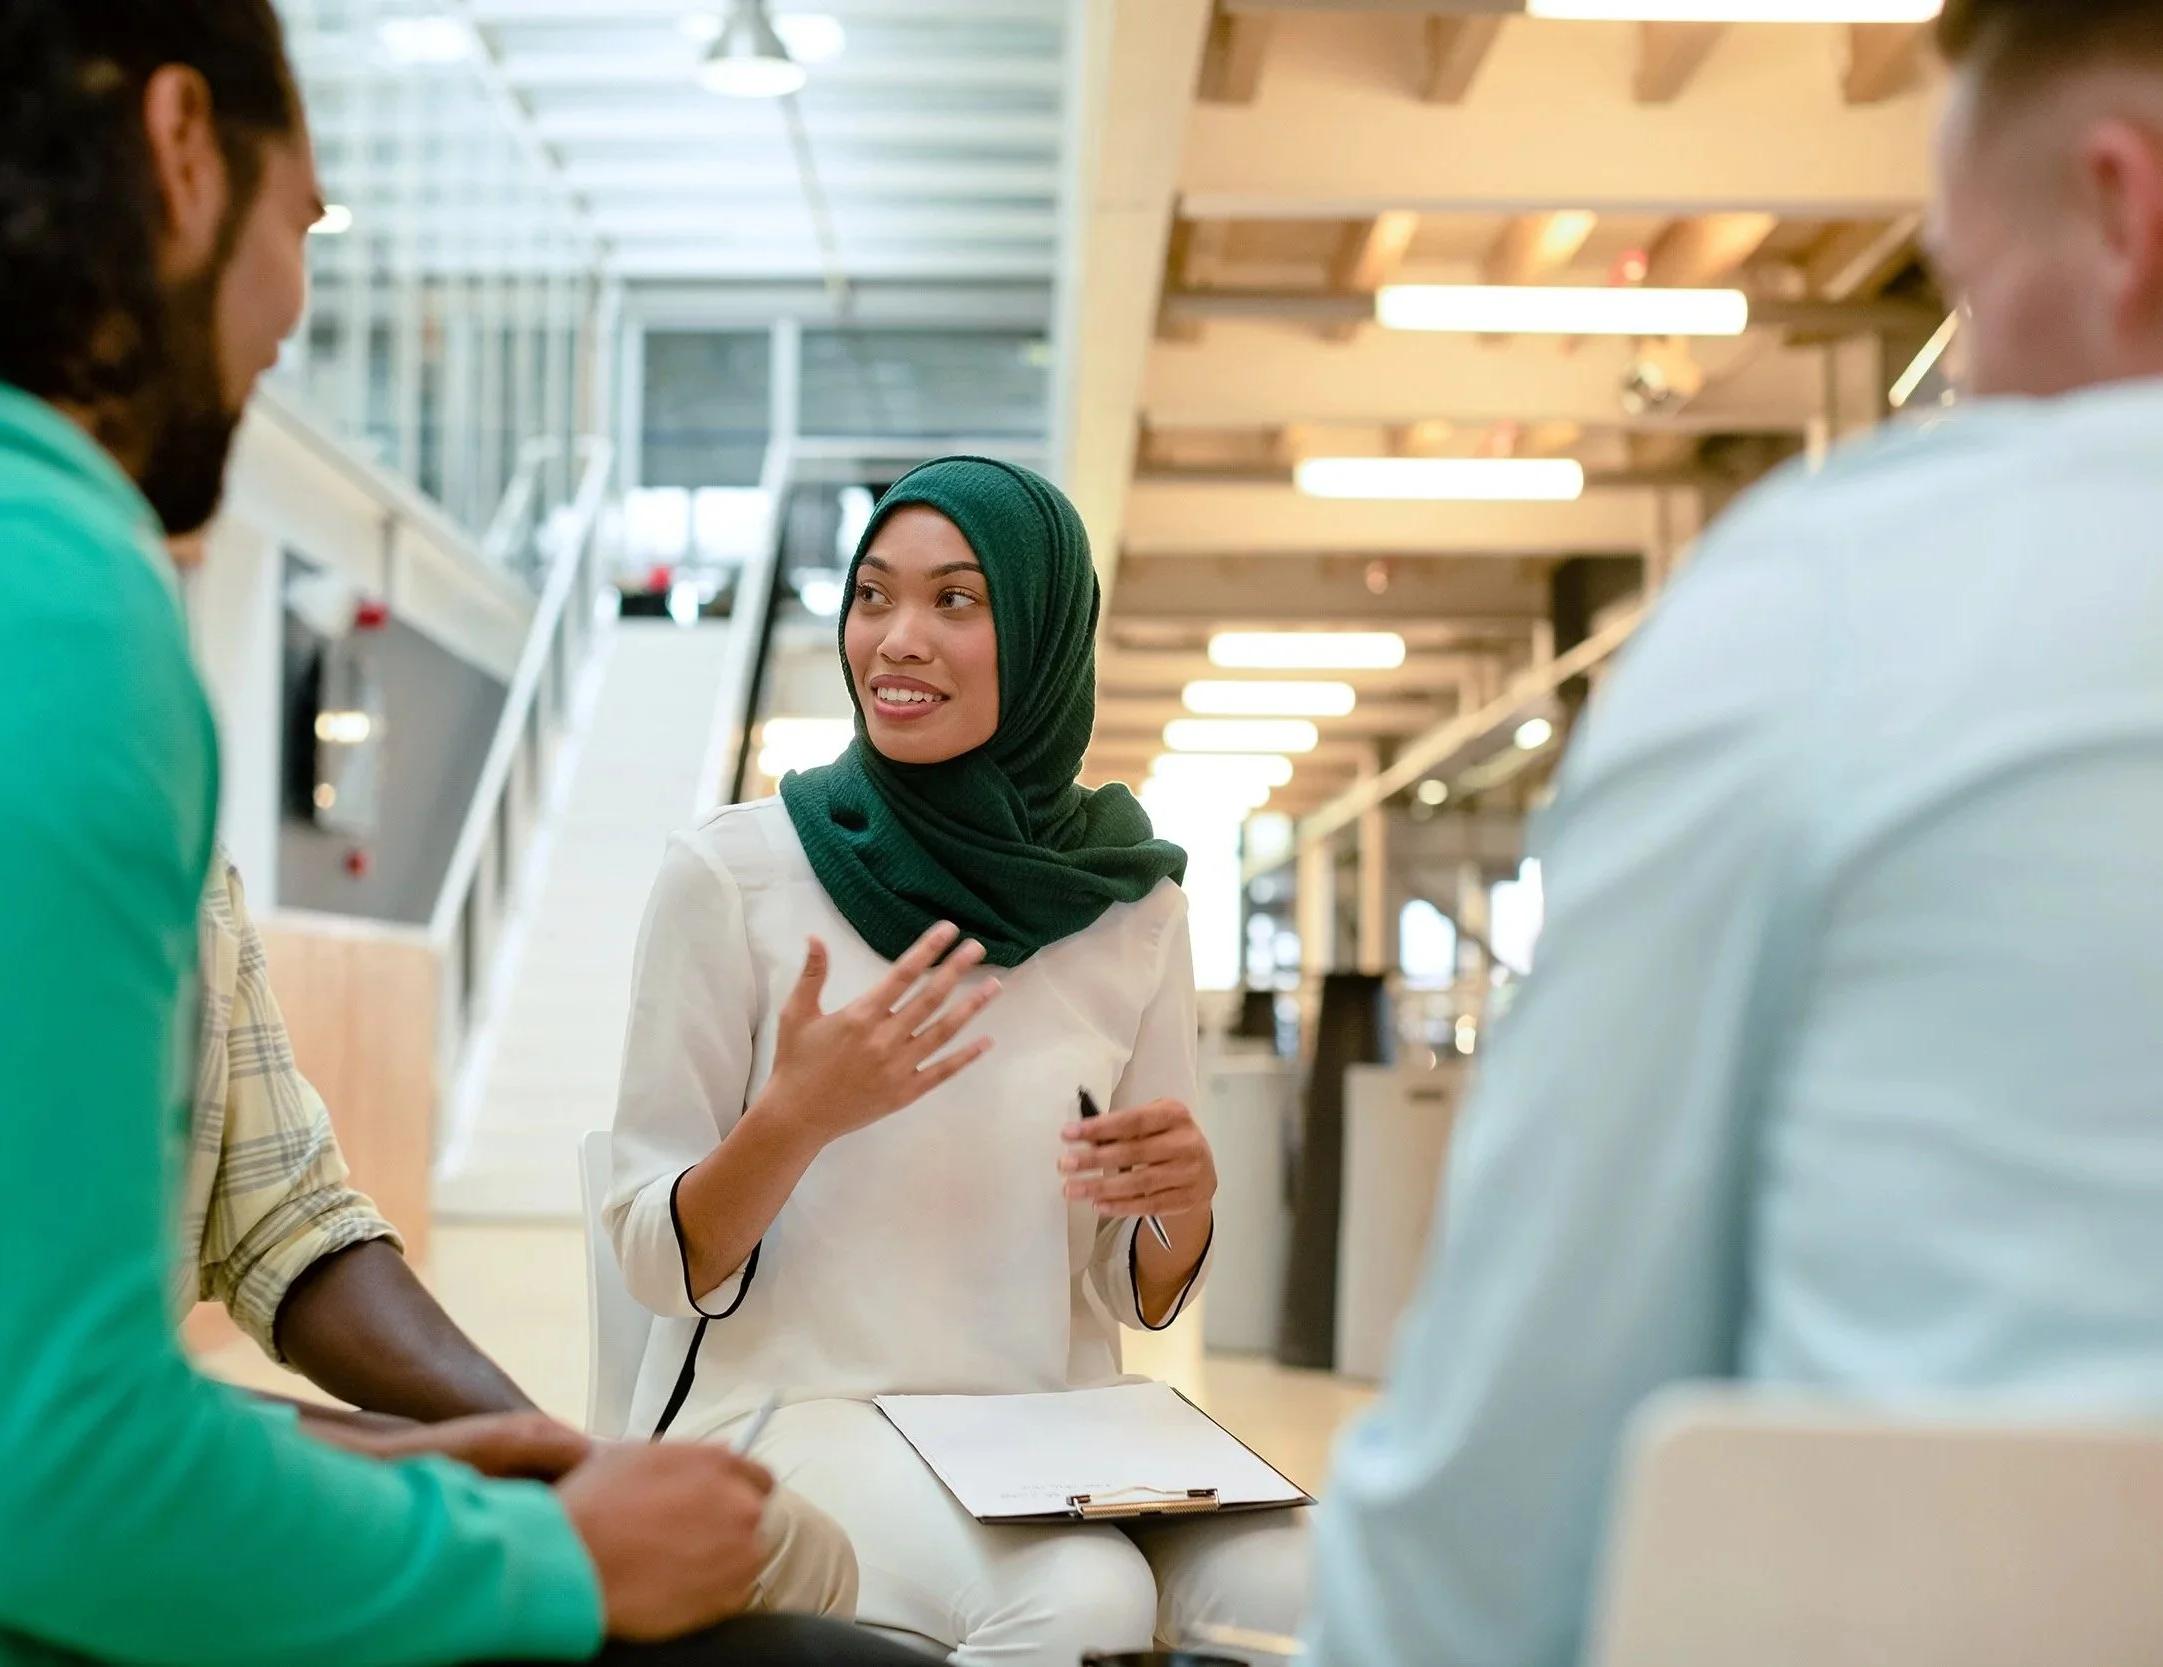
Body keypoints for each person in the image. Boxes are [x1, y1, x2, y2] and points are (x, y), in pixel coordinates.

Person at [0, 4, 923, 1663]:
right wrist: (551, 1561)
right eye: (303, 220)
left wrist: (455, 1462)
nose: (294, 309)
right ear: (180, 152)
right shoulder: (3, 589)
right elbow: (54, 1482)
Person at [1303, 3, 2163, 1663]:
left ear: (2127, 211)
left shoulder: (1845, 598)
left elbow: (1522, 1443)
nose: (1970, 375)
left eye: (1970, 292)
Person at [607, 457, 1315, 1666]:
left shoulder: (1129, 906)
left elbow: (1126, 1284)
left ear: (1042, 632)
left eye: (955, 601)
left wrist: (1181, 1206)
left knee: (1319, 1579)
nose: (897, 638)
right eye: (874, 595)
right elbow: (648, 1252)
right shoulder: (734, 873)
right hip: (796, 1409)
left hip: (1052, 1424)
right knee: (1079, 1598)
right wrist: (793, 1118)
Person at [183, 846, 857, 1614]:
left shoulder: (195, 866)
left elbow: (282, 1225)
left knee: (789, 1541)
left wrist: (538, 1445)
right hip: (101, 1492)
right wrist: (424, 1459)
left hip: (171, 1443)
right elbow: (54, 1416)